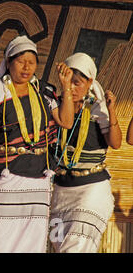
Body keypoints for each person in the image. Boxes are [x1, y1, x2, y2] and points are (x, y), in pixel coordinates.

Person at [0, 35, 74, 253]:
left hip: (37, 179)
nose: (27, 67)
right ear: (8, 63)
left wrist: (66, 87)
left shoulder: (44, 91)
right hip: (5, 177)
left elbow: (66, 121)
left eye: (32, 62)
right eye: (21, 61)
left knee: (30, 244)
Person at [50, 52, 122, 253]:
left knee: (76, 249)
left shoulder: (98, 108)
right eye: (68, 82)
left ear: (90, 81)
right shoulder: (54, 106)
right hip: (60, 192)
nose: (72, 88)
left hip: (91, 190)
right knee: (59, 246)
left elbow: (115, 143)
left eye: (77, 83)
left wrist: (112, 110)